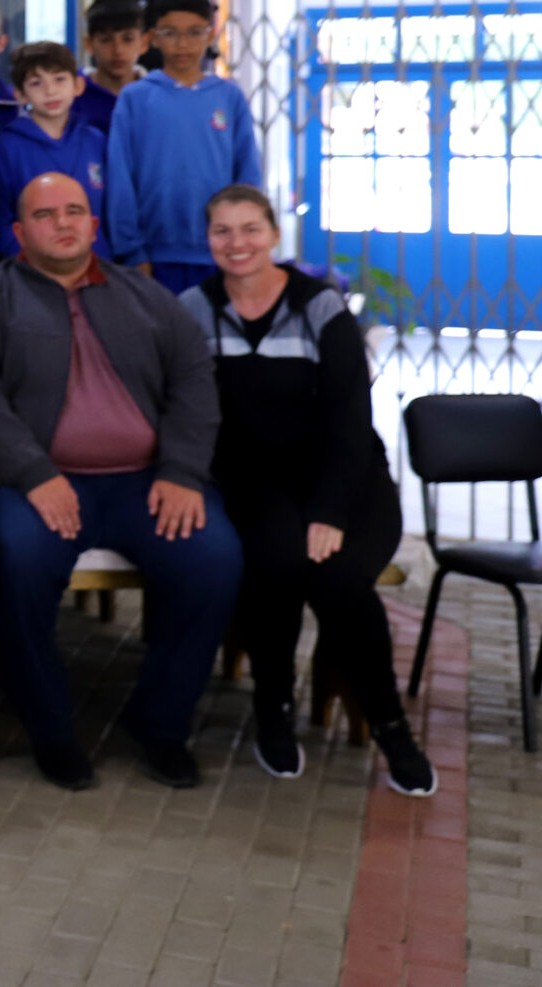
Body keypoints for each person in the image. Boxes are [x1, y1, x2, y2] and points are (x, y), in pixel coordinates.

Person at [0, 173, 242, 792]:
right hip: (38, 484)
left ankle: (160, 724)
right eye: (46, 214)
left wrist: (183, 472)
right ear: (20, 233)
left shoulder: (145, 295)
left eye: (75, 211)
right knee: (16, 563)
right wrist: (33, 474)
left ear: (94, 226)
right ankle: (51, 730)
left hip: (146, 483)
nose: (64, 222)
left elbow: (193, 378)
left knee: (213, 559)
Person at [180, 187, 434, 797]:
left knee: (339, 579)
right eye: (222, 231)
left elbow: (350, 416)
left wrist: (329, 510)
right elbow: (185, 405)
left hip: (348, 482)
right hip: (255, 485)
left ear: (273, 234)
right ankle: (273, 712)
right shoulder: (193, 308)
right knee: (275, 567)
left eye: (249, 229)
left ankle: (391, 727)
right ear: (207, 238)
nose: (236, 243)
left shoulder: (319, 307)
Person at [107, 0, 263, 292]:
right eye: (170, 33)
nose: (183, 44)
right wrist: (131, 249)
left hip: (220, 253)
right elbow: (119, 177)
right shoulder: (135, 97)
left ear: (210, 35)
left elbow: (247, 176)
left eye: (194, 33)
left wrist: (241, 240)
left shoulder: (229, 97)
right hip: (152, 255)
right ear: (153, 37)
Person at [0, 42, 108, 258]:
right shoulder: (8, 146)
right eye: (36, 83)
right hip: (34, 268)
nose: (50, 91)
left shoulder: (95, 139)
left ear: (78, 86)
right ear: (20, 94)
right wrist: (25, 259)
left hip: (96, 262)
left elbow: (109, 211)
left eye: (59, 79)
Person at [76, 0, 148, 137]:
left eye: (127, 39)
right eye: (105, 40)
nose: (118, 50)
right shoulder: (70, 93)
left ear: (144, 42)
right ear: (89, 44)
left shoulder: (157, 93)